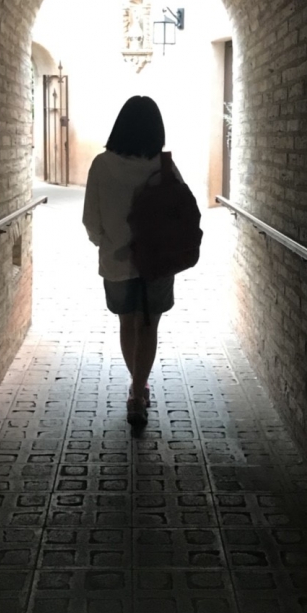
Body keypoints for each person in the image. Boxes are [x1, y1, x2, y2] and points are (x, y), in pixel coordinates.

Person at [82, 95, 183, 426]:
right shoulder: (163, 166)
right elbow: (182, 213)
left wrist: (108, 243)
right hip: (157, 262)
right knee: (149, 325)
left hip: (117, 262)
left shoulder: (101, 165)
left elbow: (91, 219)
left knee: (127, 323)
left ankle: (137, 390)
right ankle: (139, 391)